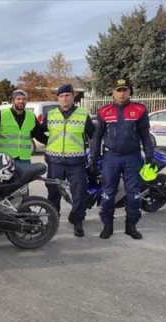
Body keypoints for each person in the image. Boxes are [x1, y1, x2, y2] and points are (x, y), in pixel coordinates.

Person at [90, 78, 155, 240]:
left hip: (132, 157)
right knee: (107, 193)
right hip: (111, 158)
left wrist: (149, 156)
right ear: (113, 92)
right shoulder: (104, 111)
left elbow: (145, 135)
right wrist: (94, 158)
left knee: (133, 194)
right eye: (118, 90)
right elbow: (97, 136)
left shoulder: (139, 109)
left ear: (129, 92)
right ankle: (107, 226)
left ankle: (131, 226)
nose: (122, 93)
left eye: (125, 90)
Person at [43, 84, 95, 237]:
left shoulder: (82, 115)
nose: (64, 98)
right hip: (54, 161)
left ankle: (77, 220)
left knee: (79, 193)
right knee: (53, 193)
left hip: (76, 162)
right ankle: (53, 219)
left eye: (67, 95)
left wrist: (93, 155)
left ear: (73, 97)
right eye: (61, 96)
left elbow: (93, 135)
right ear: (58, 98)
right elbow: (39, 131)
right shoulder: (51, 114)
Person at [0, 89, 48, 166]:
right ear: (13, 100)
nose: (21, 101)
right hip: (6, 160)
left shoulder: (31, 117)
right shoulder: (2, 114)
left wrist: (51, 142)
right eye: (18, 99)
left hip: (25, 159)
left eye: (24, 99)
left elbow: (38, 135)